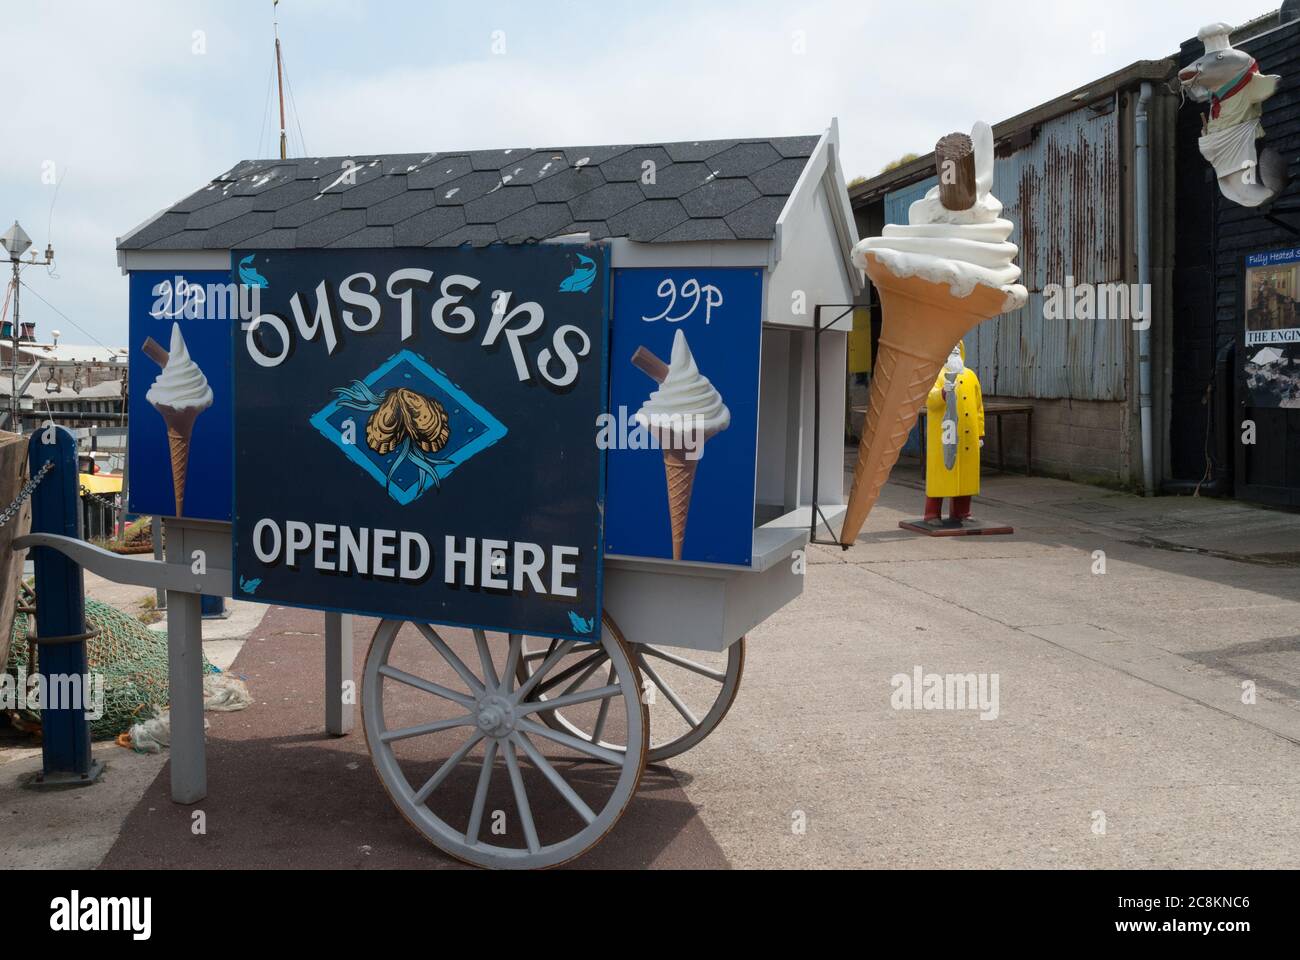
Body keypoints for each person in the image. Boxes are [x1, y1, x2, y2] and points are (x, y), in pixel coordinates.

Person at [924, 341, 984, 525]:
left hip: (968, 435)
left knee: (967, 474)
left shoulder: (971, 376)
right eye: (950, 347)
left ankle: (962, 513)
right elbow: (928, 399)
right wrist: (941, 393)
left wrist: (980, 433)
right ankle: (932, 514)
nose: (954, 350)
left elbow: (979, 406)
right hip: (945, 434)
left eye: (957, 347)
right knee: (940, 474)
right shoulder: (935, 374)